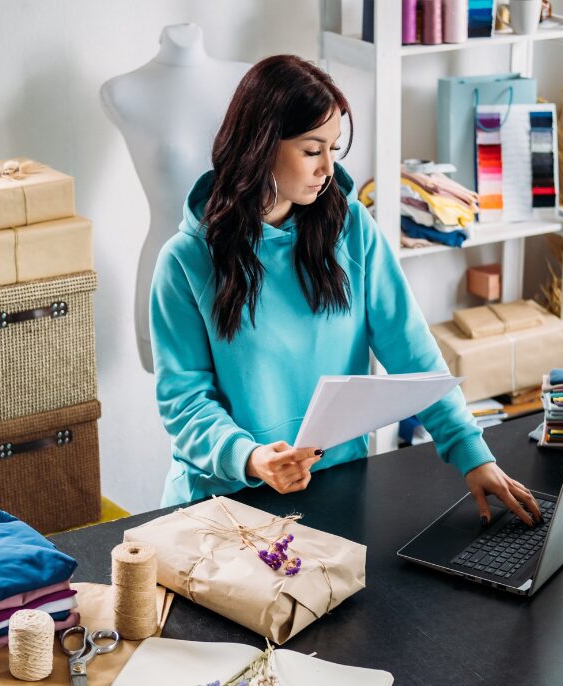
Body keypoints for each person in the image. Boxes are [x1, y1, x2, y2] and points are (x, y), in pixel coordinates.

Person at [149, 54, 540, 527]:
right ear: (260, 146)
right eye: (313, 150)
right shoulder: (184, 262)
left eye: (334, 149)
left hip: (336, 486)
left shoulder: (352, 229)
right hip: (225, 500)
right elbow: (185, 402)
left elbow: (412, 354)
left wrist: (473, 454)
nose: (328, 168)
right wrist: (251, 458)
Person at [100, 23, 249, 373]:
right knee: (178, 404)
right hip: (167, 271)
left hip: (243, 270)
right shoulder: (123, 91)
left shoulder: (246, 81)